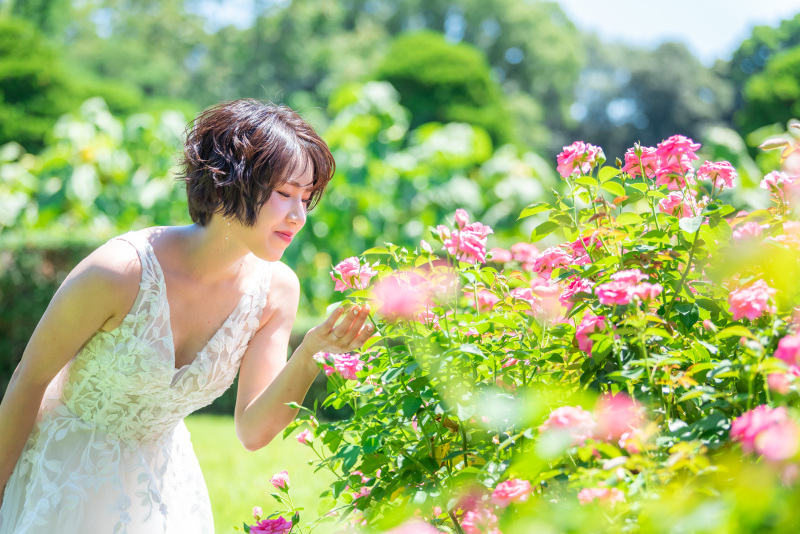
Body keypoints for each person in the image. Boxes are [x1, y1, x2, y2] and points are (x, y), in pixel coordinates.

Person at [0, 99, 372, 533]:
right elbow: (30, 378)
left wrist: (311, 354)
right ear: (229, 182)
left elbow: (254, 430)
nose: (298, 216)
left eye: (306, 199)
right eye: (285, 194)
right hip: (60, 477)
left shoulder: (277, 291)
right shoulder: (120, 271)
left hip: (162, 489)